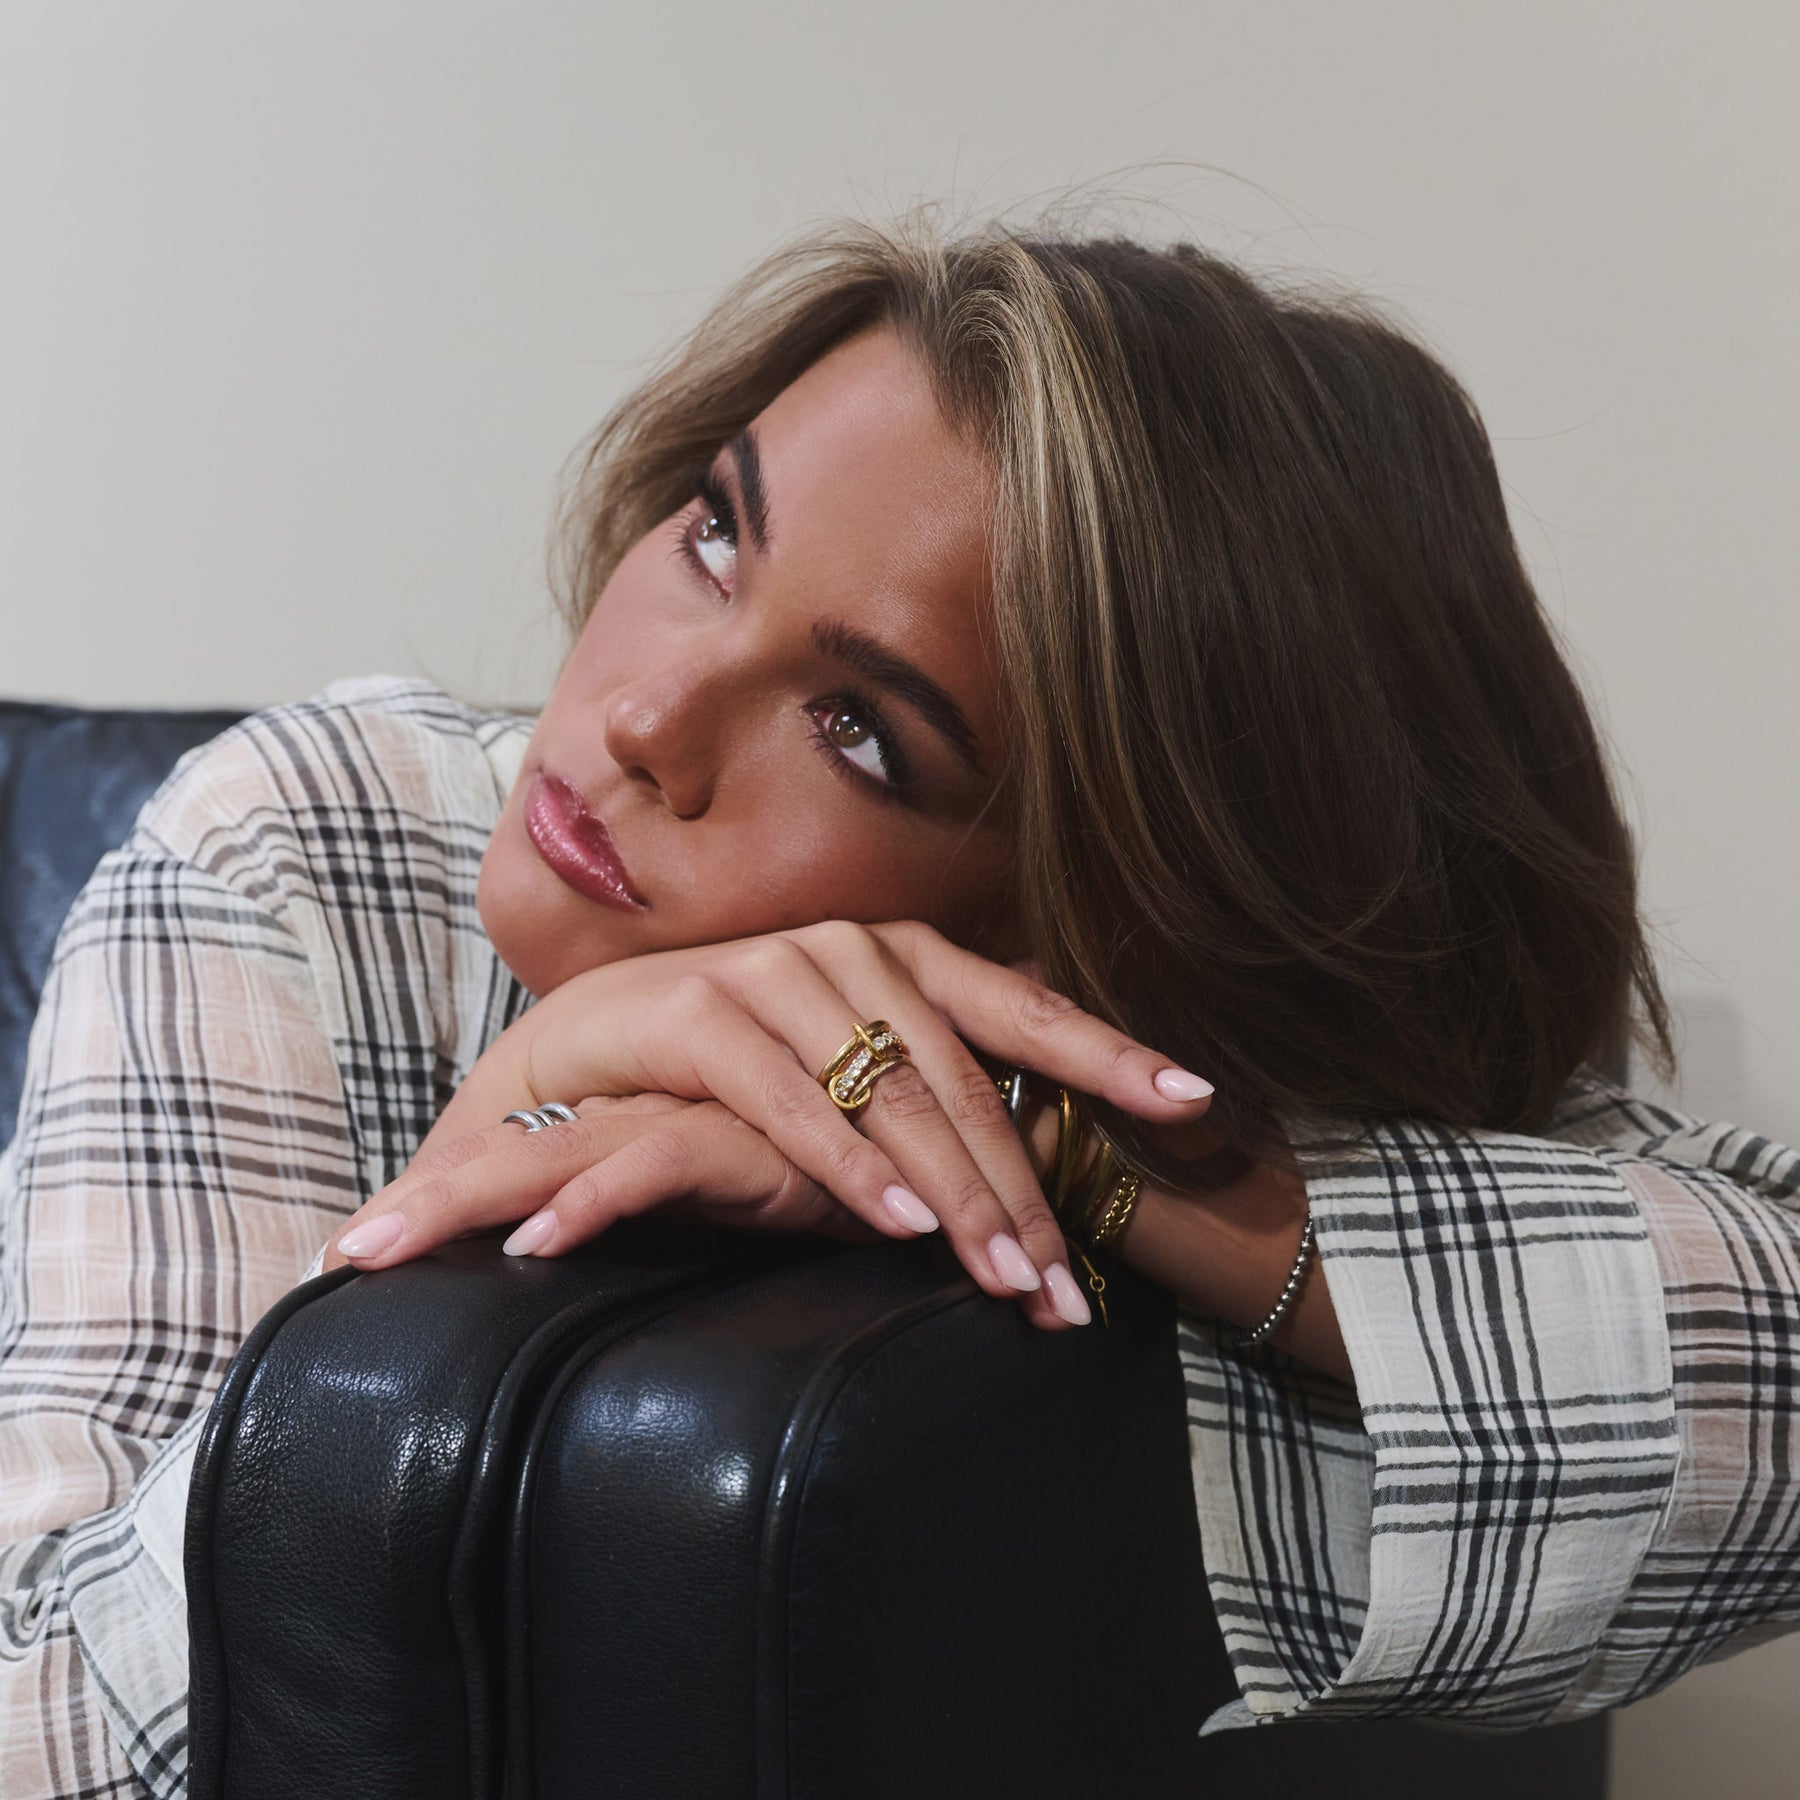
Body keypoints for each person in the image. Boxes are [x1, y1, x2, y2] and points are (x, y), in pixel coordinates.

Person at [3, 212, 1796, 1798]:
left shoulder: (1111, 1072)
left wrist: (1043, 1132)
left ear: (1084, 924)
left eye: (859, 729)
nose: (646, 720)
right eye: (718, 535)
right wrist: (472, 1188)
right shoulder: (315, 846)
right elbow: (43, 1722)